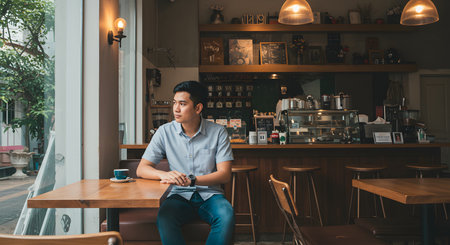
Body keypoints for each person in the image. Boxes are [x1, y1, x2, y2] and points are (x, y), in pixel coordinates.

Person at [137, 81, 235, 245]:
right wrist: (165, 174)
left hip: (211, 196)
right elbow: (142, 169)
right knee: (165, 217)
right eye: (175, 103)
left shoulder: (218, 132)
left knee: (226, 215)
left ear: (198, 108)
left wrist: (193, 180)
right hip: (178, 195)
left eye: (182, 104)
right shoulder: (164, 132)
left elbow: (225, 175)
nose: (176, 109)